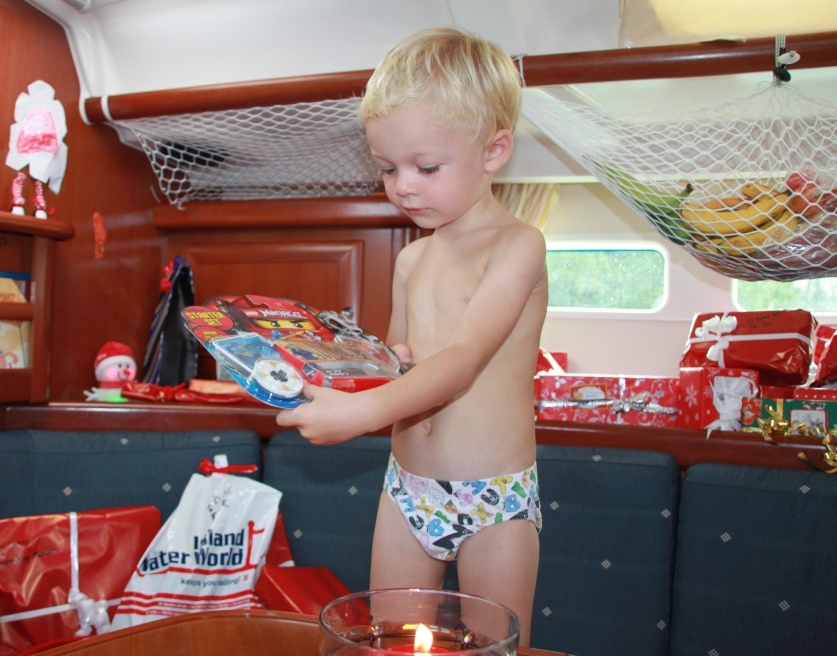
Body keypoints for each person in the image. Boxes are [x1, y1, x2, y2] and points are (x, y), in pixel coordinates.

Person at [275, 26, 547, 646]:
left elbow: (462, 361)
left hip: (493, 495)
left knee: (496, 647)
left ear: (494, 150)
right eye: (388, 168)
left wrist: (361, 414)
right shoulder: (409, 259)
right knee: (389, 638)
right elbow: (398, 365)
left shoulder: (518, 245)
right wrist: (327, 367)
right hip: (407, 489)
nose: (403, 185)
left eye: (425, 167)